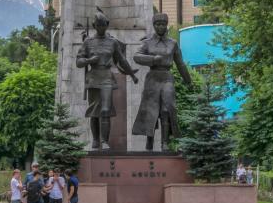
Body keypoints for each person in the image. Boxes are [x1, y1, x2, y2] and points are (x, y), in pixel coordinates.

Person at [76, 12, 139, 149]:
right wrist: (88, 60)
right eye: (98, 25)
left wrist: (132, 75)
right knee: (94, 111)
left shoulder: (113, 42)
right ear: (94, 26)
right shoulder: (88, 42)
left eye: (103, 25)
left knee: (105, 109)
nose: (100, 28)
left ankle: (104, 141)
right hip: (93, 77)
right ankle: (95, 140)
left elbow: (122, 60)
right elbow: (79, 61)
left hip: (106, 77)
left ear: (107, 25)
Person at [131, 13, 193, 151]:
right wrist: (152, 60)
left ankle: (164, 142)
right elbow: (136, 56)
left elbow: (180, 64)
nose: (160, 27)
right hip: (152, 78)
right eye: (157, 24)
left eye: (163, 24)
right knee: (151, 111)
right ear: (154, 26)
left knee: (167, 108)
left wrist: (188, 80)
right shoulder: (147, 42)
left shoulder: (173, 43)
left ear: (166, 25)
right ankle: (149, 141)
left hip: (167, 77)